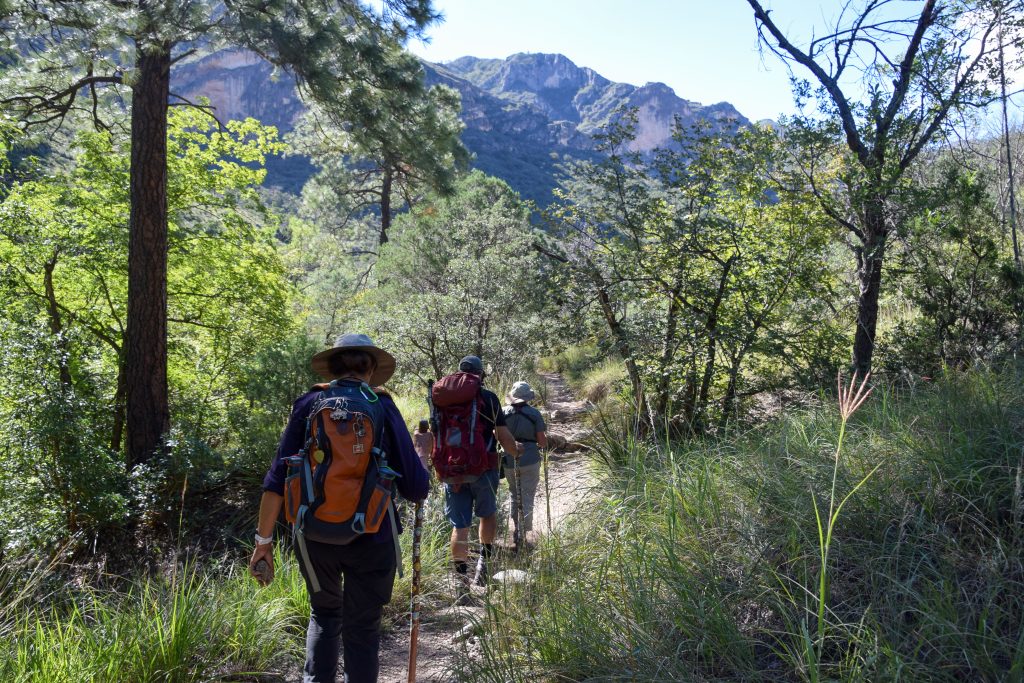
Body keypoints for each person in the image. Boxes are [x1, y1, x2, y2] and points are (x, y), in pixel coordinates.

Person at [249, 333, 429, 683]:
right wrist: (422, 453)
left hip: (314, 536)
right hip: (374, 535)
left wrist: (263, 543)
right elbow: (415, 488)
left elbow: (276, 479)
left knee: (324, 614)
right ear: (372, 370)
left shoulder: (309, 403)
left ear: (331, 369)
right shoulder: (382, 405)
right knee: (363, 628)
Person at [443, 355, 520, 590]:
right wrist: (516, 451)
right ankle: (482, 568)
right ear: (480, 375)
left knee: (460, 526)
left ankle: (460, 582)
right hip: (484, 468)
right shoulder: (488, 398)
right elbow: (503, 436)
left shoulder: (442, 398)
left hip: (452, 470)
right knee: (487, 515)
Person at [502, 381, 548, 551]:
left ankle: (516, 529)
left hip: (508, 458)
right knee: (527, 495)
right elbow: (542, 442)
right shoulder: (534, 414)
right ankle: (524, 531)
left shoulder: (503, 413)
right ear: (528, 397)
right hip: (530, 459)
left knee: (514, 494)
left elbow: (497, 436)